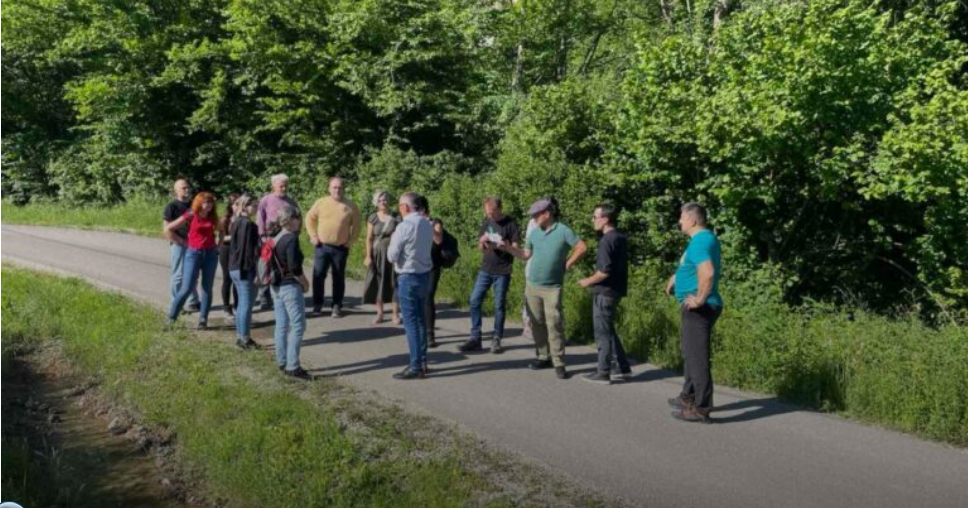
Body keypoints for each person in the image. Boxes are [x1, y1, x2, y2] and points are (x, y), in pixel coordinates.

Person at [500, 197, 587, 379]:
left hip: (552, 287)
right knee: (536, 322)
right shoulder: (535, 232)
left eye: (536, 215)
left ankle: (559, 362)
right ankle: (543, 356)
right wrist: (508, 248)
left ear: (547, 213)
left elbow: (581, 247)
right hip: (533, 285)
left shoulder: (563, 231)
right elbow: (525, 254)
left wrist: (568, 263)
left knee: (554, 324)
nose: (533, 218)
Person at [666, 202, 723, 423]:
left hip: (700, 307)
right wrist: (676, 278)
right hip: (699, 305)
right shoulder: (703, 240)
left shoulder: (700, 241)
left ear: (692, 220)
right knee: (690, 353)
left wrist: (699, 299)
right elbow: (690, 266)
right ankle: (687, 397)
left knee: (697, 359)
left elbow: (707, 273)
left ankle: (701, 408)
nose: (679, 221)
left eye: (681, 217)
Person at [459, 196, 521, 354]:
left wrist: (505, 246)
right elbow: (481, 248)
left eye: (491, 212)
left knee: (499, 305)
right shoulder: (487, 221)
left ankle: (497, 338)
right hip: (485, 268)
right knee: (474, 300)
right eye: (487, 212)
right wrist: (482, 241)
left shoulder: (511, 224)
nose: (489, 215)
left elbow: (516, 249)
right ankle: (475, 337)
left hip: (503, 270)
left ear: (499, 210)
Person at [578, 204, 632, 384]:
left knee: (602, 332)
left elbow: (604, 271)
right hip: (615, 290)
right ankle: (623, 367)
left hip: (605, 292)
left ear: (605, 219)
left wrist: (587, 281)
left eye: (595, 217)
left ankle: (603, 372)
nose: (592, 220)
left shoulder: (607, 240)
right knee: (608, 329)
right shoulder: (620, 237)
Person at [387, 192, 434, 380]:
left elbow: (391, 256)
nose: (399, 209)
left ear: (406, 207)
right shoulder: (426, 223)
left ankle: (415, 365)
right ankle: (422, 361)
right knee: (421, 320)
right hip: (424, 275)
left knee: (411, 323)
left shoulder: (404, 226)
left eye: (400, 205)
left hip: (408, 275)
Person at [305, 176, 362, 318]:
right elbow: (309, 218)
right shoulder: (321, 202)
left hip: (340, 248)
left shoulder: (350, 205)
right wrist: (313, 236)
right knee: (318, 276)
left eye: (340, 187)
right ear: (329, 189)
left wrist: (351, 240)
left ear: (344, 189)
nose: (337, 190)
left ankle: (337, 306)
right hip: (321, 246)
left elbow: (357, 225)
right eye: (334, 187)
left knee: (338, 277)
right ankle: (317, 305)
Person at [164, 192, 221, 329]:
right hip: (193, 253)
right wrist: (182, 242)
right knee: (186, 287)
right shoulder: (190, 214)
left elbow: (222, 230)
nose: (209, 205)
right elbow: (169, 228)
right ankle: (171, 317)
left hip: (210, 254)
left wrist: (218, 245)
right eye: (206, 202)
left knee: (207, 288)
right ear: (199, 203)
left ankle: (203, 320)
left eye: (211, 202)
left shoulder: (213, 217)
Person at [271, 205, 312, 379]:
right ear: (293, 219)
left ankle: (282, 361)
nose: (300, 222)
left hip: (276, 286)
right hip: (289, 286)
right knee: (298, 325)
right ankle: (293, 366)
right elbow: (295, 267)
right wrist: (305, 283)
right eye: (298, 218)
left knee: (281, 324)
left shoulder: (276, 237)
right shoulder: (291, 239)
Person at [256, 174, 300, 310]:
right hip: (269, 238)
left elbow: (298, 217)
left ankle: (281, 291)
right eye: (281, 185)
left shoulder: (291, 202)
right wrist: (262, 236)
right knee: (266, 265)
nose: (284, 188)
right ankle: (264, 295)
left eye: (286, 185)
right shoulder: (266, 200)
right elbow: (260, 218)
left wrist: (296, 233)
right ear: (273, 186)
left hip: (285, 237)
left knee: (282, 265)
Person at [362, 190, 401, 325]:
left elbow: (400, 236)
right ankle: (380, 313)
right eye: (380, 200)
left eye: (385, 199)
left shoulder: (396, 217)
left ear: (389, 200)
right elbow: (369, 238)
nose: (383, 202)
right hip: (377, 254)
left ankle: (395, 314)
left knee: (394, 283)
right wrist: (368, 256)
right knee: (378, 283)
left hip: (393, 255)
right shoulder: (373, 217)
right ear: (376, 203)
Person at [229, 194, 262, 350]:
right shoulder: (248, 225)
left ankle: (240, 336)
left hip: (234, 268)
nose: (256, 209)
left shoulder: (236, 222)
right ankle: (245, 339)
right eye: (254, 206)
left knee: (242, 304)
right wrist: (253, 272)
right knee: (246, 305)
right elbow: (246, 251)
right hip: (244, 269)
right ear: (245, 206)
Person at [162, 178, 200, 312]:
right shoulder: (171, 207)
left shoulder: (194, 205)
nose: (187, 189)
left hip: (195, 244)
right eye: (183, 188)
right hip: (179, 245)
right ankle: (176, 303)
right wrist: (182, 242)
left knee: (193, 274)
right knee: (178, 275)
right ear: (176, 190)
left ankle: (193, 301)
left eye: (188, 187)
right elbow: (166, 230)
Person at [414, 195, 444, 349]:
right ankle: (420, 330)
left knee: (428, 296)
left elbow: (438, 240)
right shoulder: (413, 223)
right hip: (417, 265)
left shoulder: (435, 222)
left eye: (417, 209)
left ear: (423, 209)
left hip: (432, 265)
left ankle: (430, 333)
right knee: (418, 298)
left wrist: (429, 226)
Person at [218, 193, 240, 319]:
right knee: (228, 279)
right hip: (226, 249)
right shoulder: (225, 219)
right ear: (231, 206)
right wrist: (234, 237)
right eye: (235, 204)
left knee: (237, 279)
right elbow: (220, 240)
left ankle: (237, 306)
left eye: (239, 204)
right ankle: (226, 307)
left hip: (238, 250)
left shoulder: (243, 218)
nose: (237, 207)